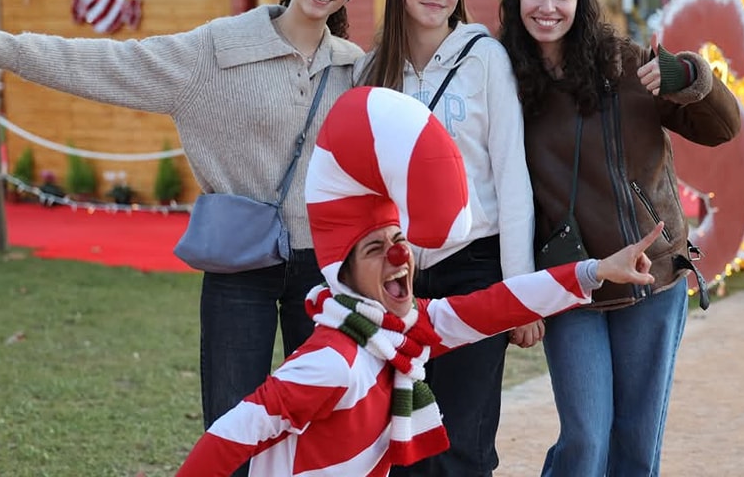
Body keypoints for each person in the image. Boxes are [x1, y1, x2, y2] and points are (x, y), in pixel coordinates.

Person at [0, 0, 366, 477]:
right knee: (232, 425)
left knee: (326, 423)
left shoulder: (355, 68)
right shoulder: (217, 50)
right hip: (240, 262)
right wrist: (4, 47)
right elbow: (110, 66)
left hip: (325, 269)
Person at [175, 85, 662, 477]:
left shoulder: (402, 328)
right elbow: (232, 434)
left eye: (398, 238)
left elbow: (497, 305)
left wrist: (595, 270)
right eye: (374, 248)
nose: (399, 255)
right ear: (344, 271)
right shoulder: (332, 362)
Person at [498, 0, 742, 476]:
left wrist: (690, 79)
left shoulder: (627, 64)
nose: (547, 6)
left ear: (581, 0)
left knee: (635, 442)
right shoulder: (505, 80)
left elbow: (723, 129)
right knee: (585, 442)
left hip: (650, 279)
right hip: (571, 282)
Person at [356, 0, 537, 477]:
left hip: (473, 267)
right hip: (398, 276)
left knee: (463, 438)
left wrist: (518, 292)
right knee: (403, 438)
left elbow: (511, 175)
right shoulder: (373, 70)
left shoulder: (485, 59)